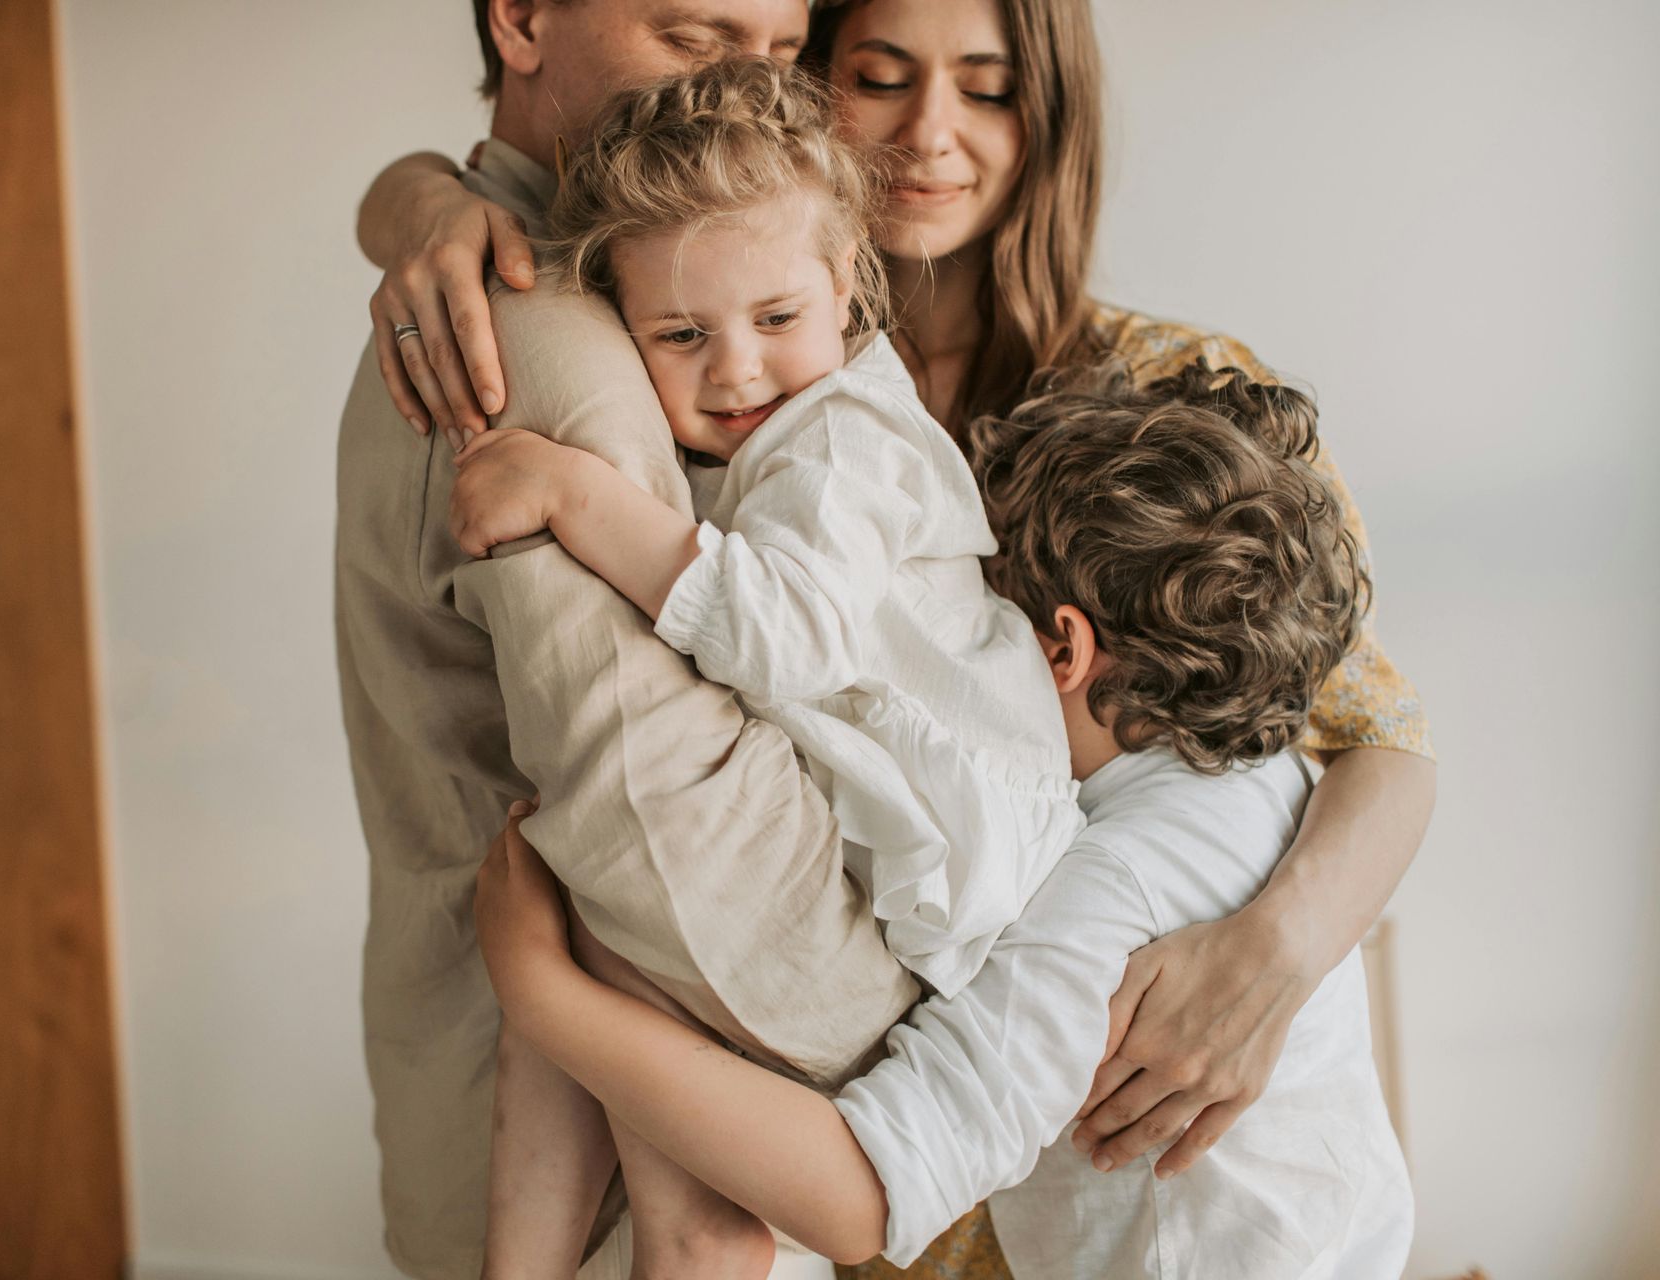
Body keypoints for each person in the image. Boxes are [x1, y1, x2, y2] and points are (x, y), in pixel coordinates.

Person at [359, 0, 1435, 1270]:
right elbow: (510, 191)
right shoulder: (710, 344)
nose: (931, 134)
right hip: (891, 1145)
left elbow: (1380, 739)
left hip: (1009, 1118)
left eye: (986, 87)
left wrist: (1278, 950)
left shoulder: (1161, 394)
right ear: (802, 95)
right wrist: (411, 197)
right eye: (878, 76)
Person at [472, 359, 1416, 1277]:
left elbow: (862, 1197)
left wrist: (542, 994)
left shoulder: (1106, 894)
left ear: (1059, 649)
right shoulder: (1273, 777)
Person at [447, 58, 1084, 1278]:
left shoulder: (848, 442)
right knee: (584, 932)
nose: (734, 371)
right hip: (882, 844)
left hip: (946, 888)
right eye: (680, 335)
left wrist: (575, 491)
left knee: (604, 925)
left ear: (846, 283)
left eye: (776, 320)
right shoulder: (782, 419)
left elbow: (779, 630)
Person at [334, 4, 933, 1278]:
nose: (740, 91)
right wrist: (957, 1054)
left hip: (545, 1098)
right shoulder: (545, 334)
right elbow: (667, 828)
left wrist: (408, 195)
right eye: (692, 34)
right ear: (524, 17)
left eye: (778, 55)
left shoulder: (632, 287)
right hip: (613, 1154)